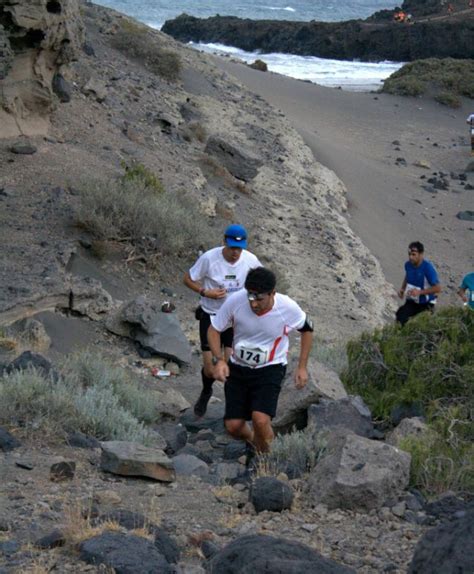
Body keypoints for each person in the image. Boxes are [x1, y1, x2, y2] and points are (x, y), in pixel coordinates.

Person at [208, 267, 313, 454]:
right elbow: (214, 329)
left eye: (259, 299)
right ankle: (254, 443)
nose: (254, 304)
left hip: (270, 368)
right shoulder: (235, 301)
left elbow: (307, 329)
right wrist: (219, 360)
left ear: (272, 293)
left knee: (261, 419)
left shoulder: (287, 307)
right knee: (233, 426)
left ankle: (268, 458)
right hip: (238, 368)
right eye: (250, 297)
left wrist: (302, 367)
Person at [183, 224, 261, 417]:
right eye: (232, 247)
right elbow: (188, 278)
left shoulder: (250, 260)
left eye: (239, 248)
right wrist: (204, 291)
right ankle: (206, 391)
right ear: (224, 242)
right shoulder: (210, 258)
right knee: (211, 369)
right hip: (211, 315)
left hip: (236, 319)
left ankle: (233, 409)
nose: (236, 253)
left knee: (231, 366)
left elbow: (262, 281)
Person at [396, 241, 441, 326]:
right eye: (409, 254)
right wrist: (402, 288)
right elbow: (407, 276)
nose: (410, 257)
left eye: (413, 254)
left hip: (426, 303)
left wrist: (419, 292)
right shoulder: (408, 265)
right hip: (412, 300)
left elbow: (438, 288)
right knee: (400, 316)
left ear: (421, 254)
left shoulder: (428, 268)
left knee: (421, 325)